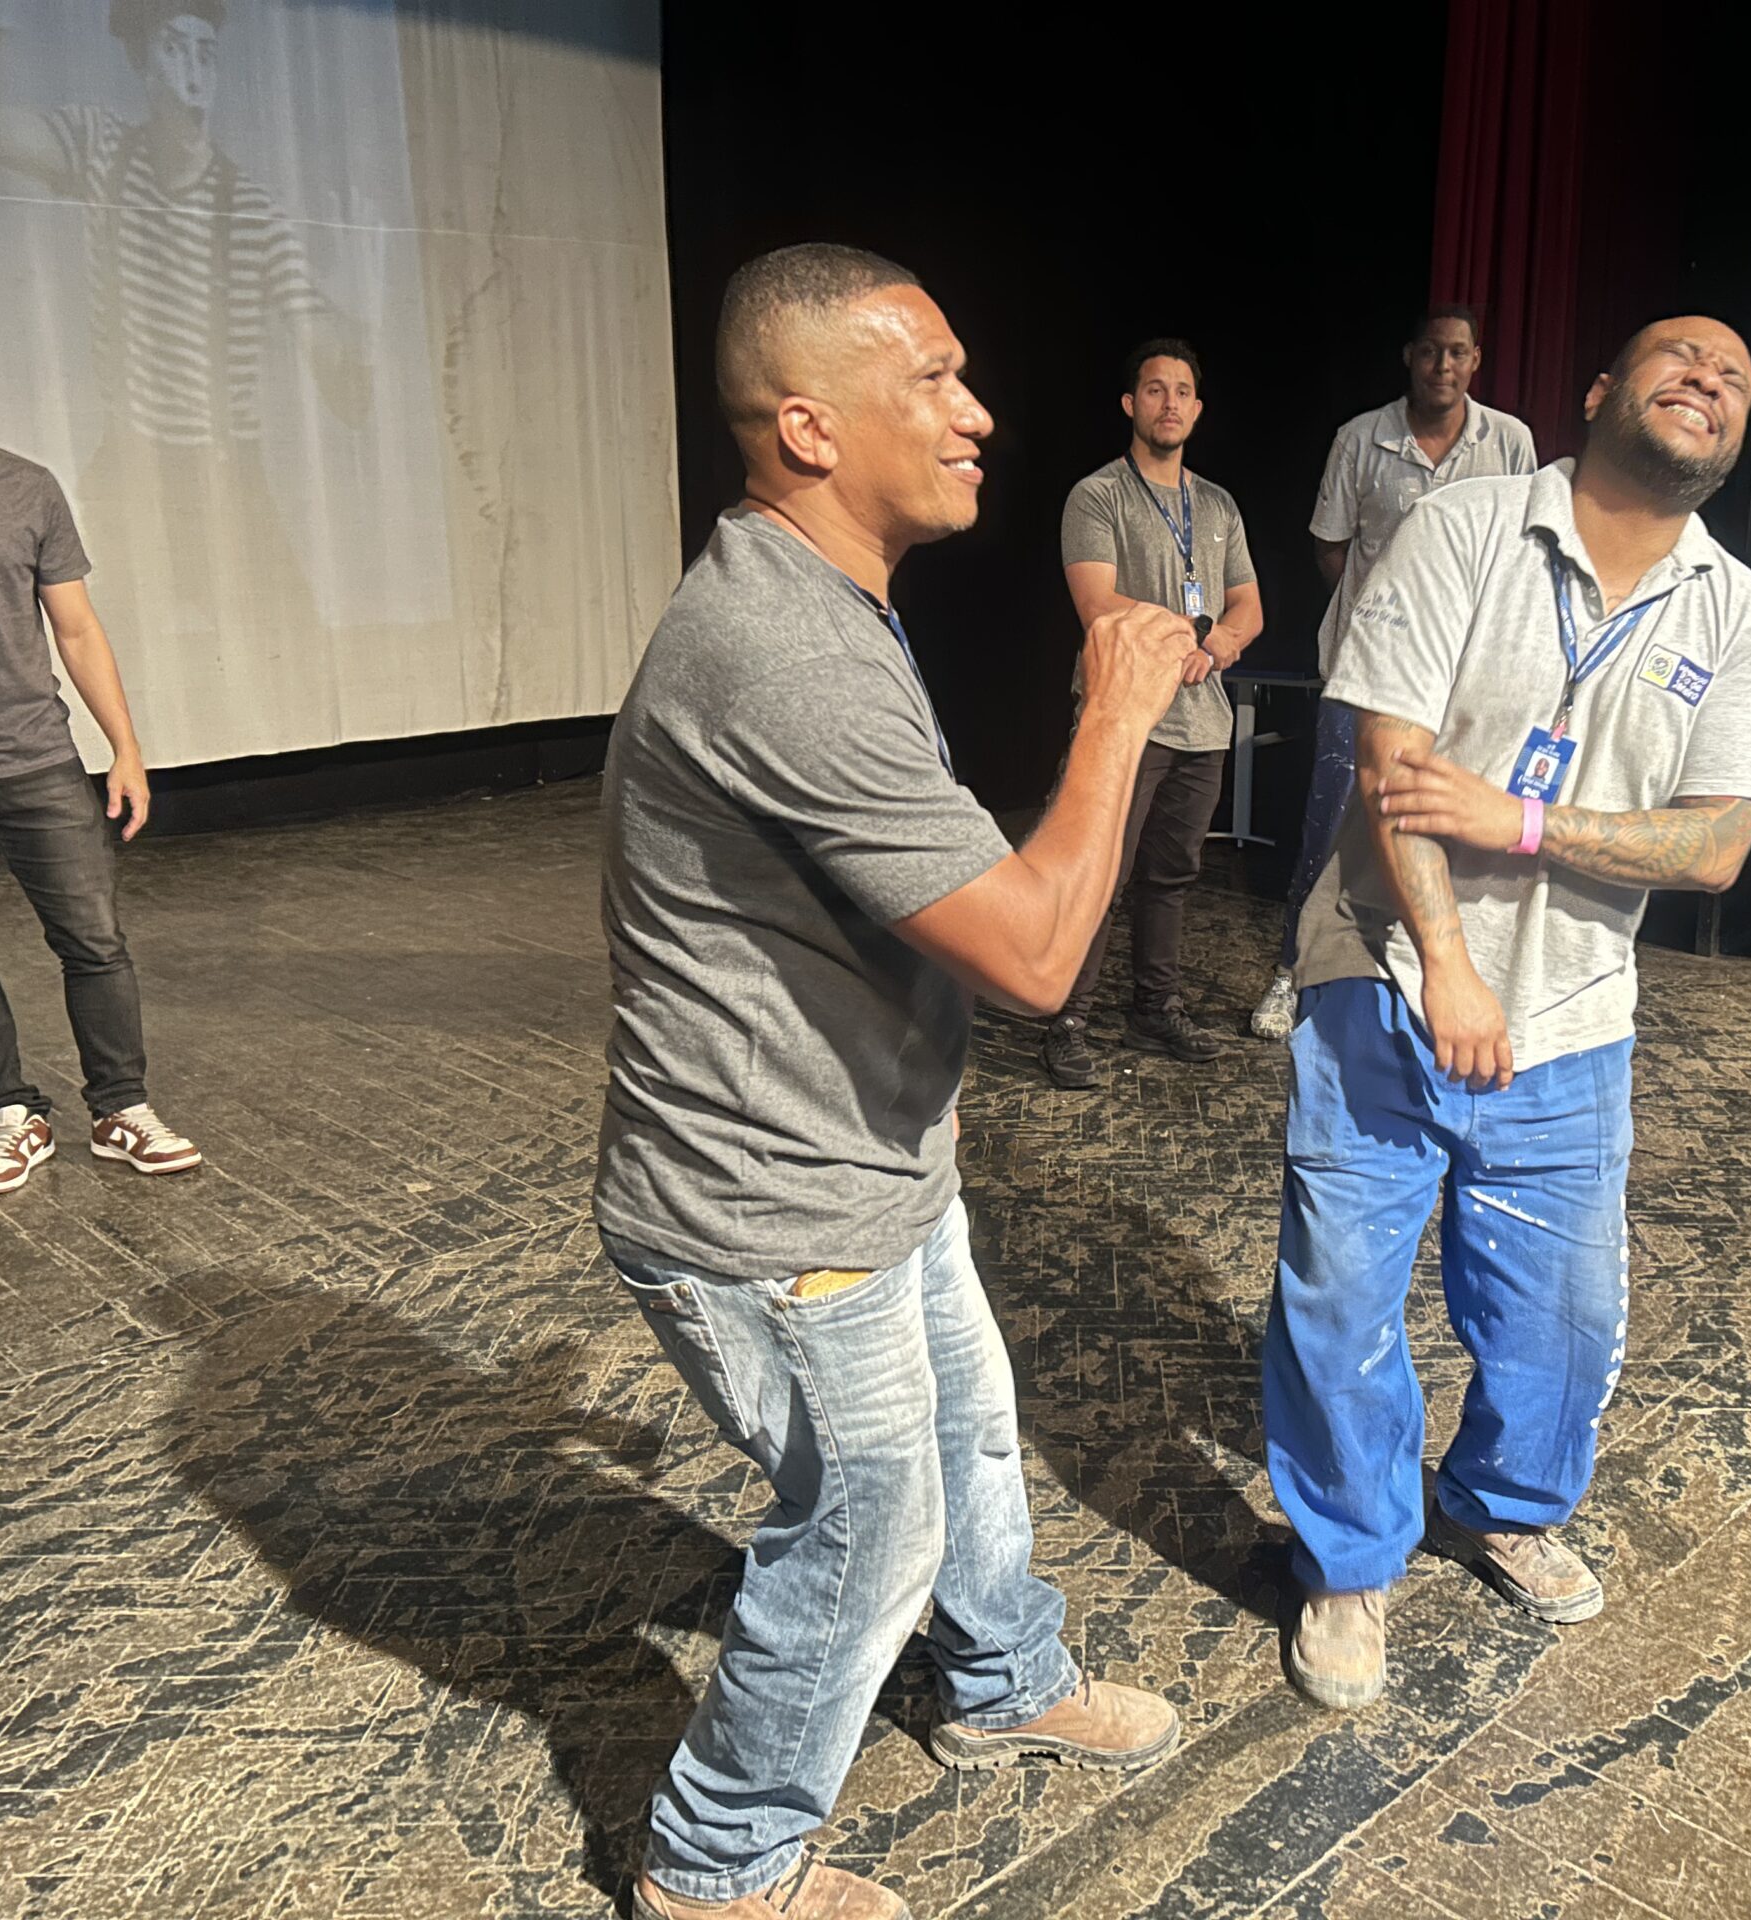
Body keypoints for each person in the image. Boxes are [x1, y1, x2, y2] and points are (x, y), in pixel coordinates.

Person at [594, 245, 1201, 1920]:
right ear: (808, 426)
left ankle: (1002, 1682)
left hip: (872, 1158)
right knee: (870, 1530)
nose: (976, 411)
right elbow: (1037, 957)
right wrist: (1118, 710)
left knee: (973, 1439)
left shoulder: (823, 605)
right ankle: (718, 1866)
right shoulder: (783, 650)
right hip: (773, 1208)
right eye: (931, 378)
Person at [1264, 318, 1751, 1708]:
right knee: (1341, 1300)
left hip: (1573, 1012)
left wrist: (1526, 822)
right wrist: (1448, 961)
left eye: (1734, 380)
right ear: (1600, 392)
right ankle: (1351, 1560)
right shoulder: (1467, 527)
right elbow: (1391, 755)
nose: (1707, 379)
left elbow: (1720, 843)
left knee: (1562, 1320)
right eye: (1680, 358)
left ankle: (1498, 1506)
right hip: (1385, 968)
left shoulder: (1738, 613)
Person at [0, 279, 201, 1197]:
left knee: (94, 941)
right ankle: (9, 1113)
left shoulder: (26, 485)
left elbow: (76, 629)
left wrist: (126, 748)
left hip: (37, 759)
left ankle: (121, 1109)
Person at [0, 0, 369, 636]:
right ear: (141, 62)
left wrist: (358, 312)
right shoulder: (104, 148)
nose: (194, 73)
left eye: (207, 55)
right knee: (110, 638)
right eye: (174, 48)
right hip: (133, 464)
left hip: (226, 474)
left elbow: (341, 384)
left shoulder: (248, 210)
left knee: (286, 633)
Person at [1248, 306, 1536, 1040]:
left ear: (1476, 360)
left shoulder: (1509, 442)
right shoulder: (1361, 438)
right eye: (1431, 352)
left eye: (1458, 353)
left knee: (1456, 831)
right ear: (1410, 355)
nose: (1444, 366)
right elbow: (1331, 547)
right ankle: (1290, 973)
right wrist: (1391, 620)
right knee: (1329, 828)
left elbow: (1523, 558)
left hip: (1470, 682)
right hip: (1369, 675)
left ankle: (1435, 981)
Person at [1043, 338, 1264, 1089]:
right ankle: (1067, 1017)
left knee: (1171, 876)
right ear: (1130, 404)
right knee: (1099, 873)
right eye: (1155, 390)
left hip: (1202, 720)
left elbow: (1249, 608)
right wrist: (1196, 632)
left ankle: (1154, 1007)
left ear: (1198, 410)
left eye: (1182, 392)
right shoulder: (1097, 495)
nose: (1170, 403)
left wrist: (1221, 641)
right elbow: (1097, 605)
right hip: (1125, 719)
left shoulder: (1219, 505)